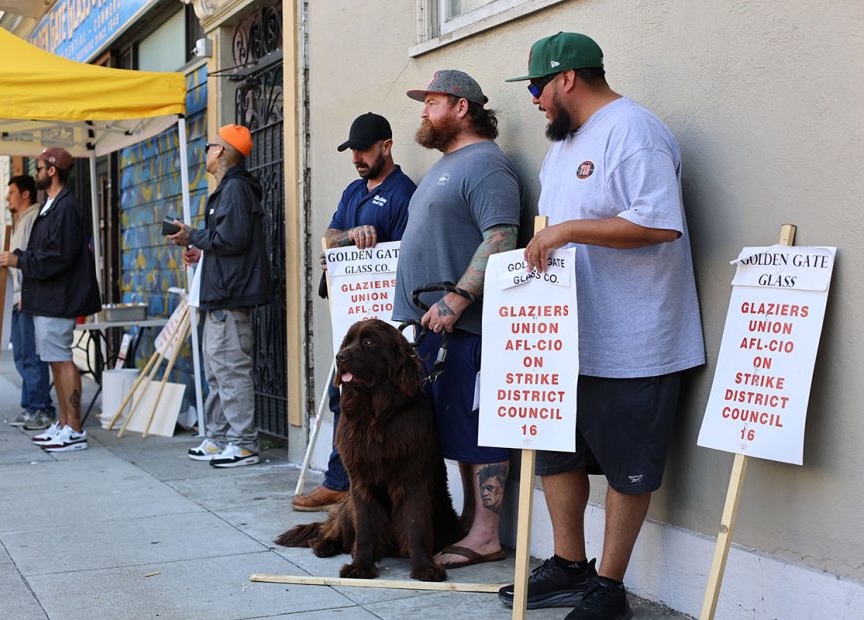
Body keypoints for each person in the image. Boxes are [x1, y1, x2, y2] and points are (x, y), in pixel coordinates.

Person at [497, 33, 706, 619]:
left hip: (634, 339)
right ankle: (569, 566)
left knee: (626, 465)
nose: (534, 100)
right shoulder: (563, 146)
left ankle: (609, 588)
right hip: (569, 338)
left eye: (537, 87)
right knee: (557, 454)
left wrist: (566, 232)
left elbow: (660, 224)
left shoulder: (634, 131)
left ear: (567, 79)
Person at [393, 70, 521, 569]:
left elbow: (501, 237)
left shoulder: (486, 165)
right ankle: (473, 523)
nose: (423, 111)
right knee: (456, 433)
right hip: (431, 331)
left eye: (432, 102)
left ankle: (488, 534)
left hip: (463, 328)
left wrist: (457, 300)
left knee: (477, 429)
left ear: (462, 107)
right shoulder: (448, 165)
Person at [292, 112, 416, 511]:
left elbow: (405, 256)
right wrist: (348, 237)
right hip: (351, 316)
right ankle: (342, 479)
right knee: (342, 395)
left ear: (387, 145)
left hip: (382, 326)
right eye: (352, 151)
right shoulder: (353, 192)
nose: (356, 158)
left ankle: (350, 484)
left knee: (371, 399)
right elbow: (329, 238)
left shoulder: (403, 194)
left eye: (363, 149)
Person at [168, 124, 272, 468]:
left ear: (222, 151)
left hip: (229, 297)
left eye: (209, 145)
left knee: (230, 372)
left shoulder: (236, 190)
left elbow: (232, 239)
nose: (205, 152)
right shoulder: (230, 190)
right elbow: (229, 243)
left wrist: (194, 236)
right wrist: (200, 249)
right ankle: (221, 437)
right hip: (221, 295)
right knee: (218, 372)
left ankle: (243, 444)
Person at [0, 147, 102, 453]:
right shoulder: (50, 206)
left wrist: (21, 262)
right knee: (55, 362)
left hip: (60, 298)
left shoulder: (66, 208)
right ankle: (64, 423)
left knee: (62, 359)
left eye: (41, 167)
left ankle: (75, 429)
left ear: (53, 170)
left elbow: (59, 255)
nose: (37, 172)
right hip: (46, 298)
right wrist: (21, 259)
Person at [6, 175, 56, 431]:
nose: (8, 198)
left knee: (32, 355)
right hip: (17, 297)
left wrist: (28, 292)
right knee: (22, 354)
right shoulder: (20, 221)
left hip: (28, 297)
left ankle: (41, 407)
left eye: (12, 192)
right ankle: (30, 405)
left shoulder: (33, 220)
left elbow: (31, 258)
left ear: (25, 194)